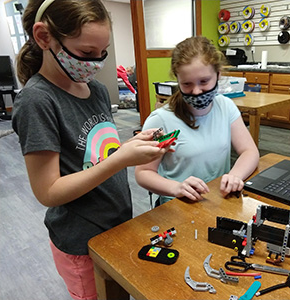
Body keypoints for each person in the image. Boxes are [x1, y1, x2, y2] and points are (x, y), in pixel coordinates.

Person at [11, 1, 170, 299]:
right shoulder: (37, 101)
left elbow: (94, 155)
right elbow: (48, 191)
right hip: (81, 242)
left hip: (116, 226)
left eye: (103, 52)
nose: (96, 62)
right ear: (45, 37)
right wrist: (121, 159)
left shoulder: (95, 90)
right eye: (86, 53)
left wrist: (129, 147)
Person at [135, 36, 259, 206]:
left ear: (218, 75)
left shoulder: (225, 106)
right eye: (187, 84)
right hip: (178, 205)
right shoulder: (161, 120)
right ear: (177, 81)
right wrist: (176, 187)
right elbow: (143, 172)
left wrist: (235, 175)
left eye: (204, 81)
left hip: (218, 200)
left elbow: (249, 151)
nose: (196, 91)